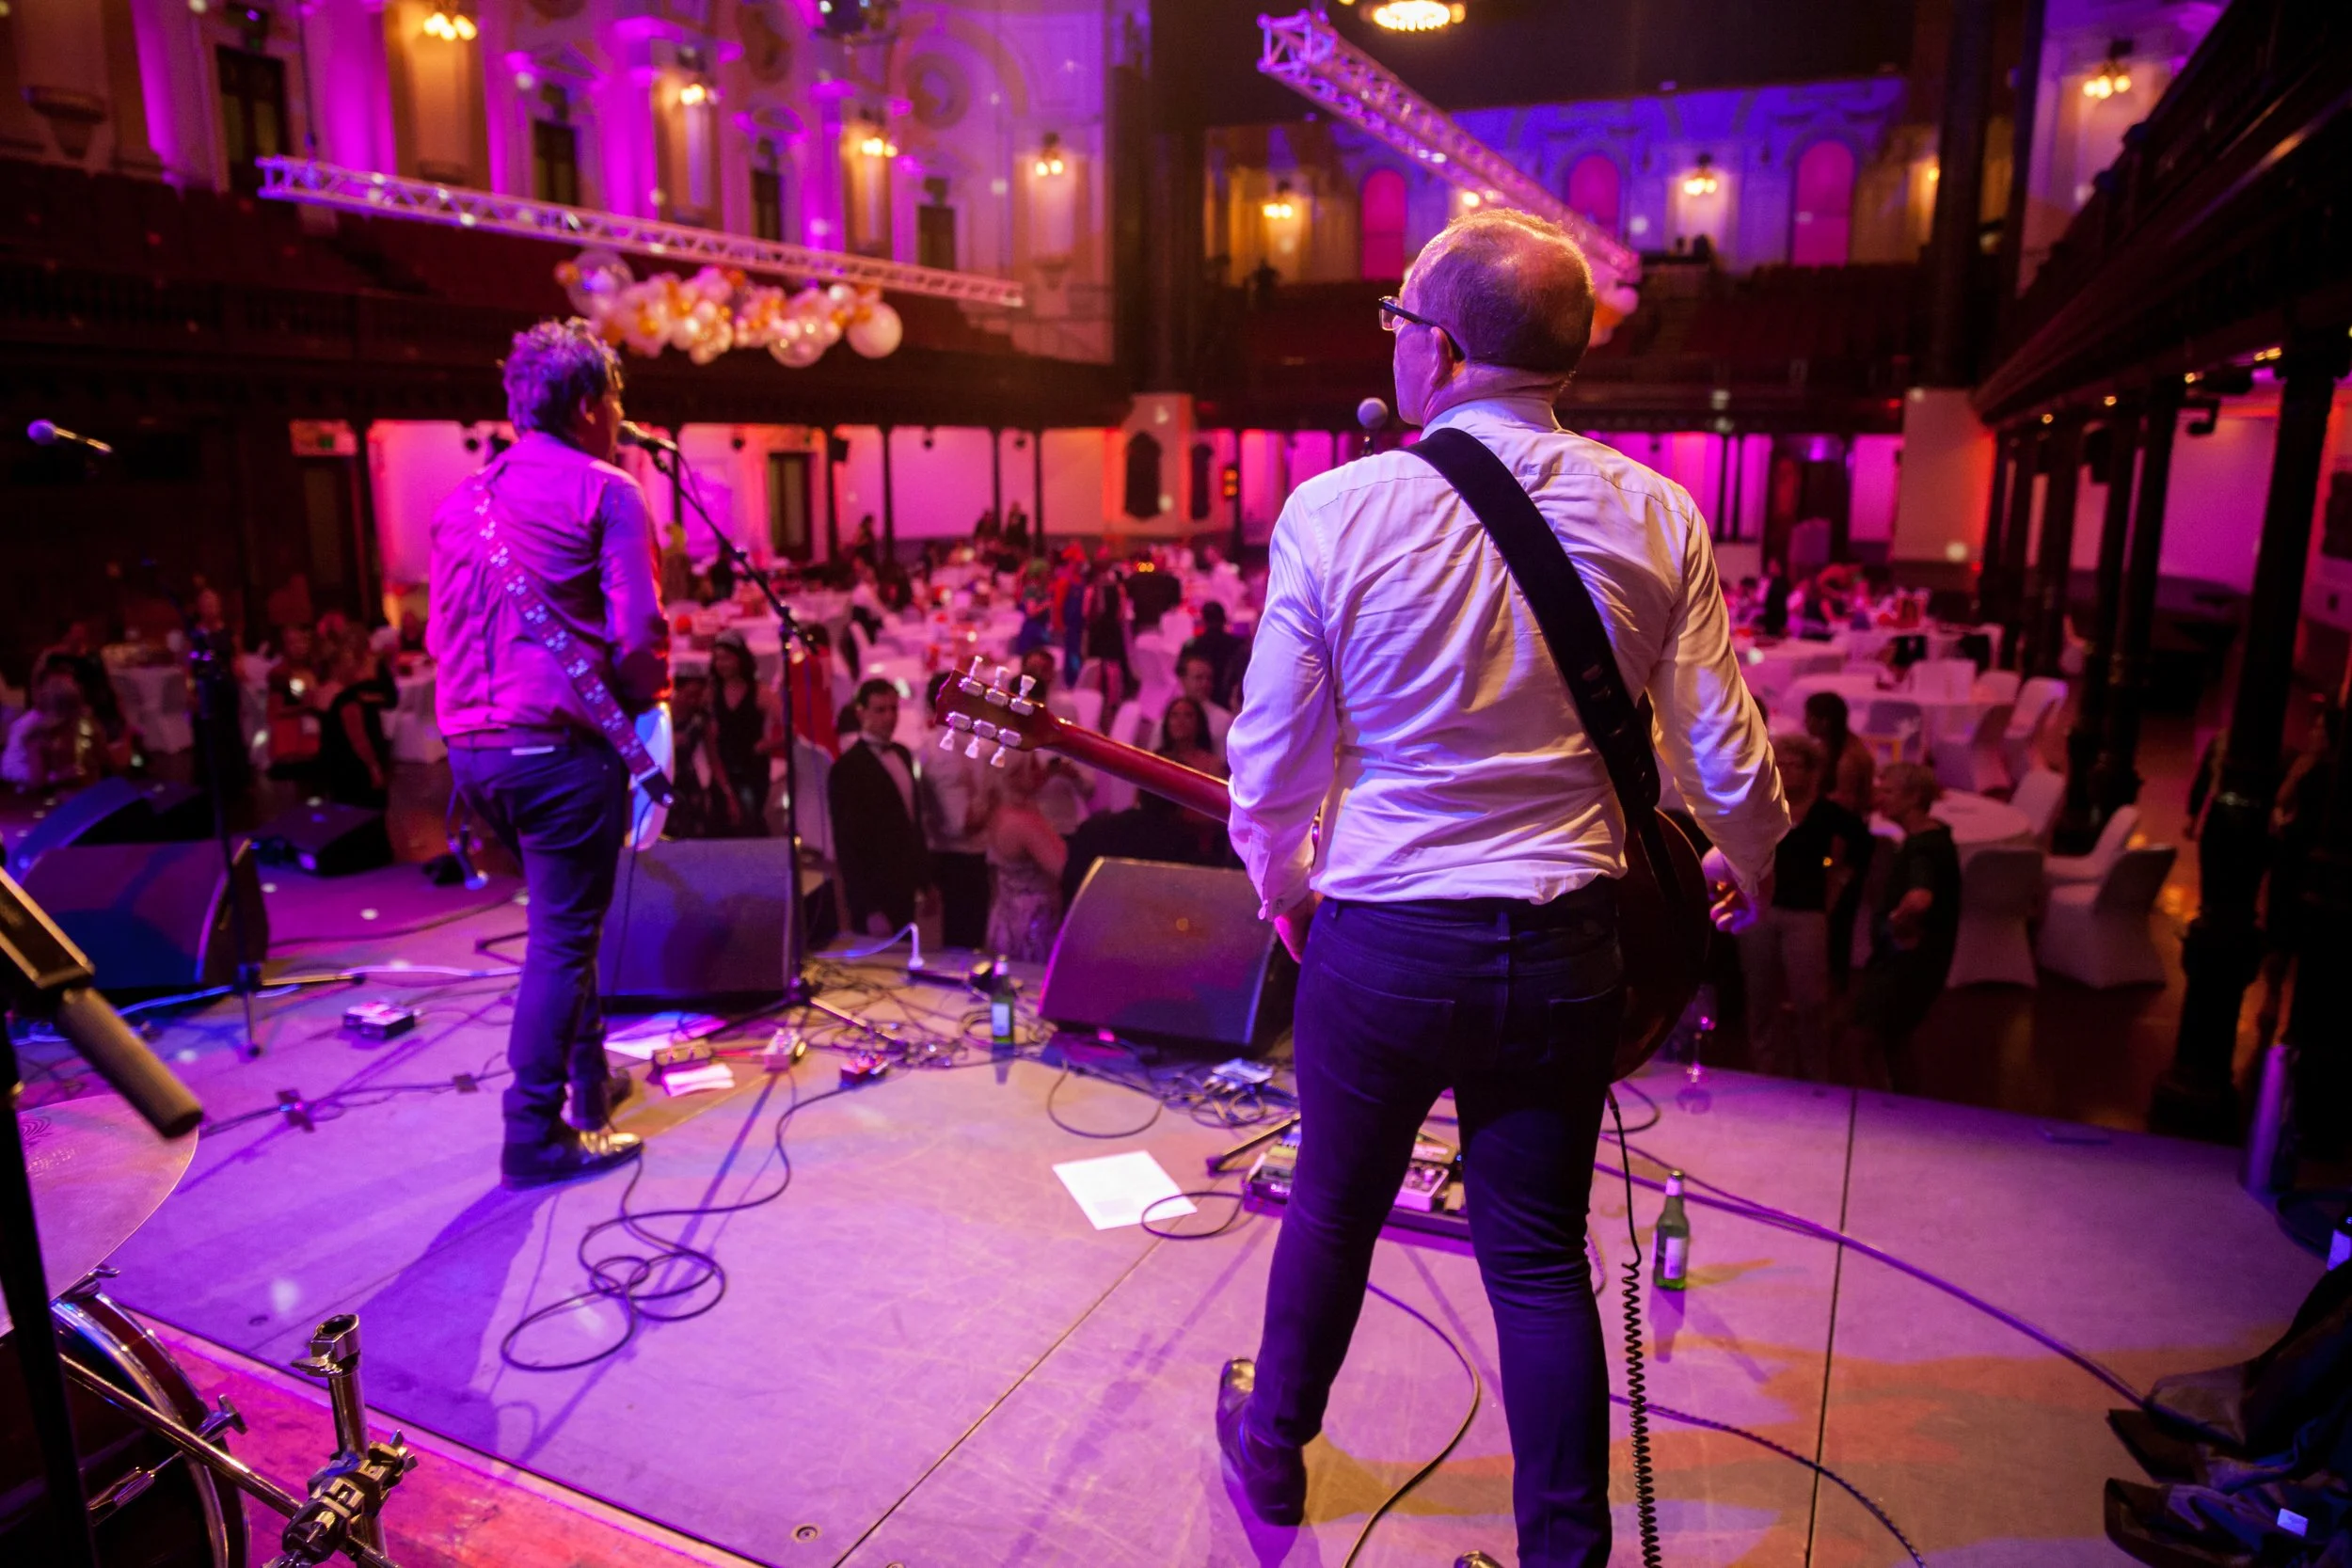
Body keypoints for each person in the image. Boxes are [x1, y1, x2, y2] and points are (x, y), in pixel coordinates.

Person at [1218, 208, 1785, 1568]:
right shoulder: (1658, 509)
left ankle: (1276, 1452)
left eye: (1400, 325)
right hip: (1563, 940)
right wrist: (1745, 863)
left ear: (1445, 349)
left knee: (1334, 1205)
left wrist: (1286, 883)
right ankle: (1563, 1554)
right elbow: (1725, 756)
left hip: (1383, 935)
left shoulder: (1337, 508)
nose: (1396, 347)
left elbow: (1273, 759)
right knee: (1535, 1252)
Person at [429, 317, 667, 1189]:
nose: (617, 417)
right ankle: (533, 1134)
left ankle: (589, 1082)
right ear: (589, 401)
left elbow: (440, 633)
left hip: (472, 755)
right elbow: (636, 633)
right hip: (558, 752)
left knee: (561, 927)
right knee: (562, 942)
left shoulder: (459, 500)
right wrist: (652, 709)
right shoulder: (608, 490)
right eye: (615, 400)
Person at [1735, 733, 1865, 1081]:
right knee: (1761, 998)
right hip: (1759, 911)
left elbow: (1861, 844)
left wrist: (1836, 876)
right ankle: (1767, 1073)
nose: (1786, 771)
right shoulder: (1763, 808)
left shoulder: (1828, 813)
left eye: (1794, 765)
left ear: (1812, 772)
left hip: (1807, 913)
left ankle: (1815, 1076)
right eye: (1781, 764)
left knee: (1811, 1001)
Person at [1849, 762, 1961, 1092]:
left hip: (1902, 968)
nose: (1879, 797)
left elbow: (1920, 898)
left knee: (1857, 1043)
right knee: (1895, 1043)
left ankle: (1871, 1122)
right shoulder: (1938, 837)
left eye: (1888, 791)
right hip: (1923, 965)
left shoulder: (1921, 848)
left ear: (1913, 797)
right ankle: (1907, 1119)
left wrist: (1900, 923)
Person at [828, 677, 930, 937]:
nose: (889, 717)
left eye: (893, 708)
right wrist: (869, 908)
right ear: (861, 712)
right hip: (875, 889)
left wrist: (924, 882)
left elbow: (912, 823)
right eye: (880, 710)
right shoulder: (847, 768)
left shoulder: (903, 754)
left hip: (904, 882)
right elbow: (847, 846)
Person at [1803, 690, 1876, 983]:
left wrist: (1833, 866)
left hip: (1845, 845)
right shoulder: (1842, 748)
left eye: (1808, 716)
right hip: (1848, 839)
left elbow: (1843, 817)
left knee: (1837, 914)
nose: (1804, 722)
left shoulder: (1846, 760)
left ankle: (1832, 984)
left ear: (1822, 721)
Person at [921, 670, 996, 950]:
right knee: (964, 947)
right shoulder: (947, 755)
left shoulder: (956, 745)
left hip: (962, 859)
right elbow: (961, 826)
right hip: (960, 862)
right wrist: (996, 797)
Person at [984, 752, 1066, 962]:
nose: (1041, 770)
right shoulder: (1021, 822)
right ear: (1017, 775)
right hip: (1031, 924)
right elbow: (1063, 868)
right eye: (1033, 765)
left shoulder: (1002, 811)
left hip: (1008, 915)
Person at [1062, 788, 1209, 905]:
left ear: (1138, 793)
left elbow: (1070, 889)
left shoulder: (1095, 830)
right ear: (1184, 802)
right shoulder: (1184, 844)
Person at [705, 629, 780, 836]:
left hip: (751, 770)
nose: (722, 664)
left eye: (727, 658)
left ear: (740, 659)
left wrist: (767, 744)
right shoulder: (712, 693)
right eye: (718, 659)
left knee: (749, 824)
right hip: (723, 769)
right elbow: (709, 740)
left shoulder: (760, 692)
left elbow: (790, 729)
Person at [3, 662, 112, 790]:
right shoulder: (32, 731)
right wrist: (57, 776)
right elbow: (11, 769)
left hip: (89, 795)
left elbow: (104, 760)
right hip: (48, 799)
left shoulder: (88, 726)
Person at [318, 636, 396, 809]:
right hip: (355, 772)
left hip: (339, 769)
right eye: (352, 663)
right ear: (339, 667)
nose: (356, 668)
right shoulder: (348, 699)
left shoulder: (330, 692)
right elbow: (358, 738)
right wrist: (374, 767)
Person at [1180, 601, 1248, 710]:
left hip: (1198, 700)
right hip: (1229, 700)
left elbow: (1179, 671)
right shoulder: (1238, 645)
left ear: (1203, 621)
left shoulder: (1192, 646)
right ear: (1224, 620)